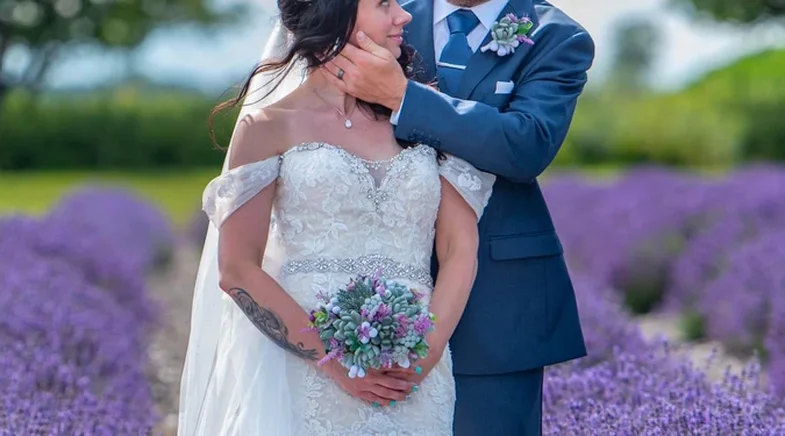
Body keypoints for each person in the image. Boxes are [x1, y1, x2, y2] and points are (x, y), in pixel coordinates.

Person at [177, 0, 497, 434]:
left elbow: (460, 247)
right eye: (384, 4)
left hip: (413, 370)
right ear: (333, 12)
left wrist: (427, 352)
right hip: (305, 370)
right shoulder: (268, 126)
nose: (404, 16)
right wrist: (335, 364)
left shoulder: (431, 112)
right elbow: (237, 268)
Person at [318, 0, 595, 434]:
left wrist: (403, 97)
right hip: (364, 299)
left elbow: (527, 146)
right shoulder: (385, 17)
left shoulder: (557, 36)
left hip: (497, 308)